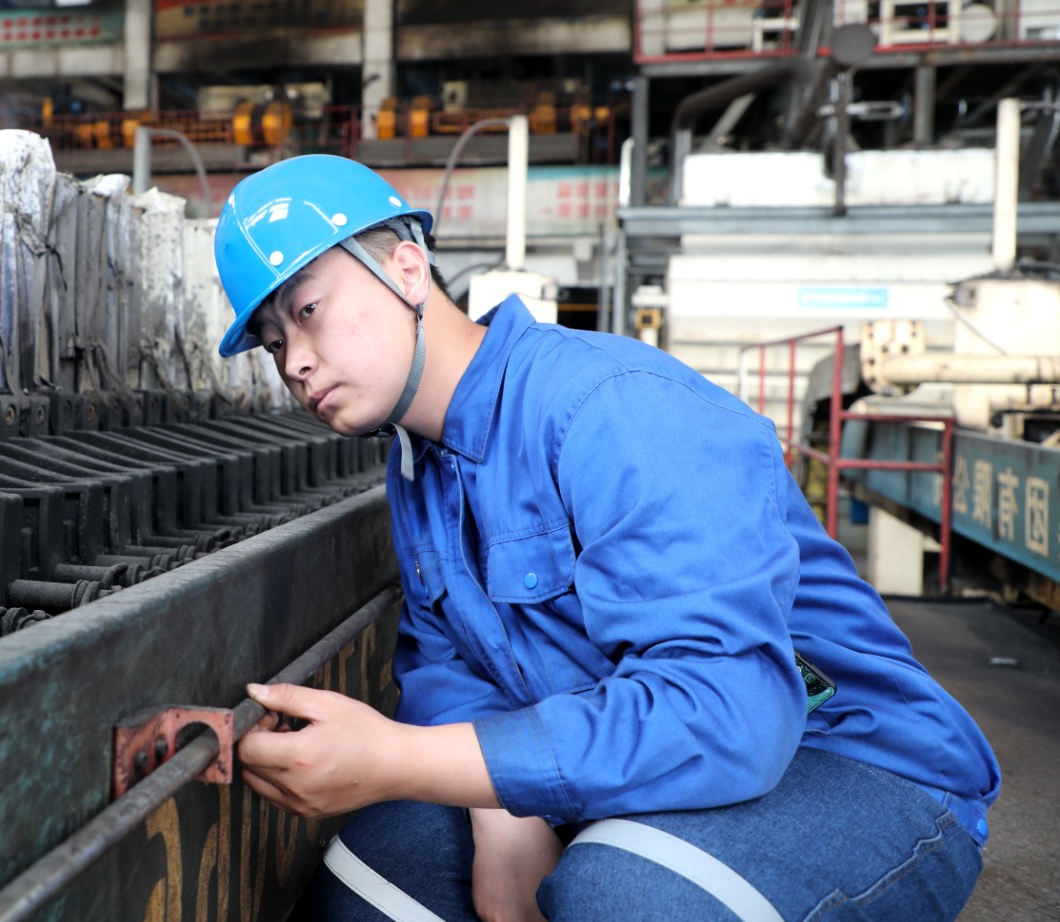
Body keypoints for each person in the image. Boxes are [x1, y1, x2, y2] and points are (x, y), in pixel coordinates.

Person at [212, 155, 999, 921]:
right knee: (371, 879)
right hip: (631, 770)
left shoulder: (608, 407)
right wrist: (502, 813)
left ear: (409, 272)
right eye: (276, 342)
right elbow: (448, 665)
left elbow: (730, 715)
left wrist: (404, 760)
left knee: (624, 896)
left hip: (841, 760)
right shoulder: (419, 466)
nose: (298, 363)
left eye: (308, 311)